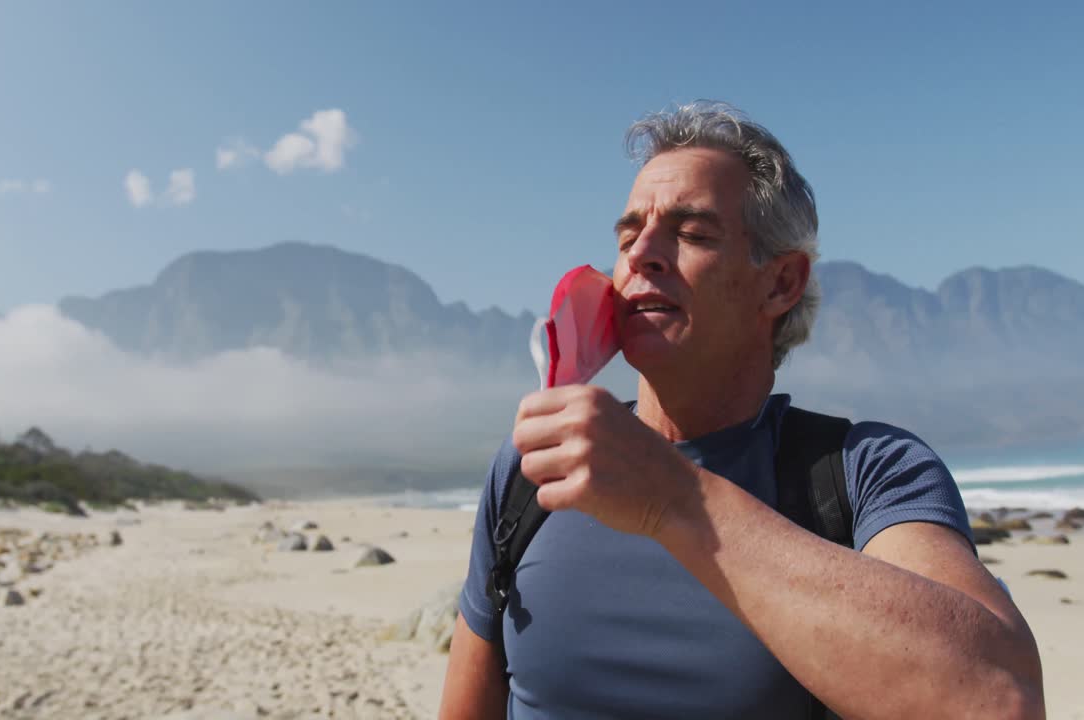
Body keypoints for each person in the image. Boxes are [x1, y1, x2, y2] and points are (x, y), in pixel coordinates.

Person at [439, 101, 1044, 719]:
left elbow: (997, 698)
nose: (641, 253)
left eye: (693, 233)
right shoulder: (530, 469)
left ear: (781, 283)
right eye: (627, 236)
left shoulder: (868, 473)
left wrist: (677, 499)